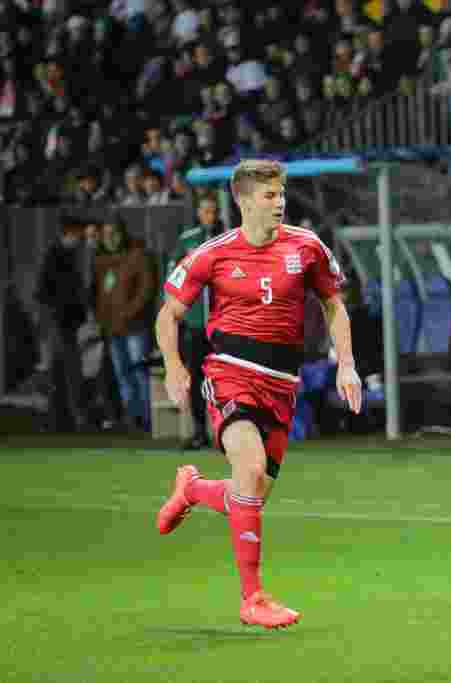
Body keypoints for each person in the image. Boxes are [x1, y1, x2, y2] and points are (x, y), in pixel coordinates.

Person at [154, 159, 363, 629]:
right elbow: (168, 314)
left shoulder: (307, 247)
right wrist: (173, 366)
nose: (280, 202)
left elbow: (334, 305)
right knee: (248, 471)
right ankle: (253, 599)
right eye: (270, 195)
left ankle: (192, 489)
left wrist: (346, 363)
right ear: (244, 200)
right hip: (230, 374)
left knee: (251, 493)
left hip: (281, 385)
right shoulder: (214, 253)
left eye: (282, 193)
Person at [166, 196, 224, 449]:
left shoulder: (230, 237)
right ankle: (200, 431)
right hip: (195, 324)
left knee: (226, 381)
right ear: (199, 213)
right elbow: (174, 276)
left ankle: (226, 433)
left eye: (213, 211)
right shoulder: (188, 239)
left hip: (224, 324)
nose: (209, 215)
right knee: (198, 379)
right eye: (205, 211)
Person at [94, 217, 158, 432]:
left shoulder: (139, 256)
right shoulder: (102, 261)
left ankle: (149, 420)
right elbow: (99, 296)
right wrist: (103, 320)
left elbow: (146, 291)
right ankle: (134, 419)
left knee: (139, 373)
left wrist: (127, 314)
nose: (110, 238)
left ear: (123, 233)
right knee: (123, 376)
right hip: (113, 330)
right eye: (106, 234)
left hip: (135, 328)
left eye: (114, 233)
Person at [35, 216, 88, 432]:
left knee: (61, 371)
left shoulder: (66, 254)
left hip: (64, 322)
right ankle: (68, 419)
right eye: (78, 232)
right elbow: (45, 291)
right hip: (60, 322)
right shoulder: (57, 255)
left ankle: (60, 419)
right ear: (70, 232)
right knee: (66, 371)